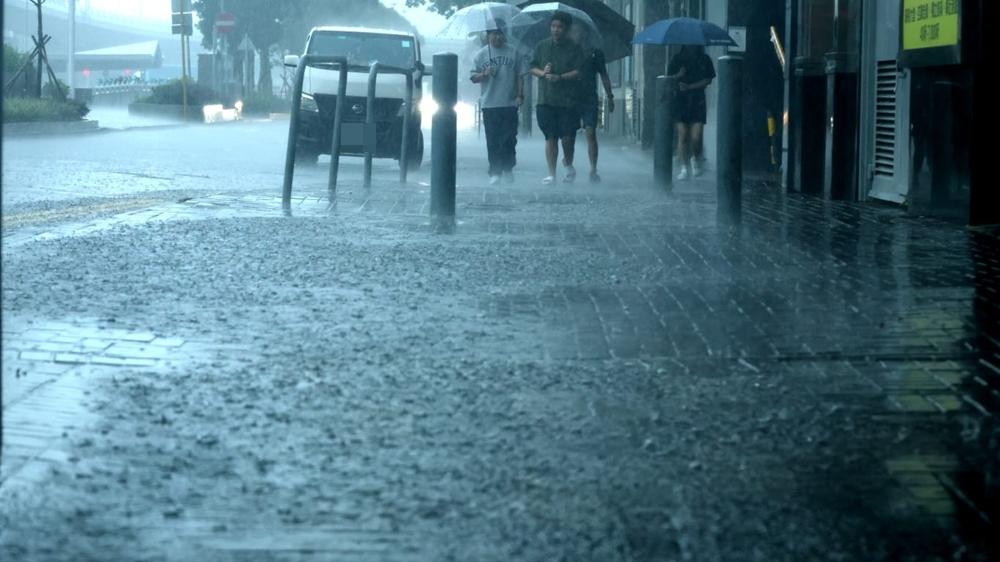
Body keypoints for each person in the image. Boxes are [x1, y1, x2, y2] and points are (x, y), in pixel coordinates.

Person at [529, 11, 585, 185]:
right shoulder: (542, 46)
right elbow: (532, 67)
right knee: (550, 137)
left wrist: (560, 77)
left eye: (560, 27)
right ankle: (551, 174)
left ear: (566, 29)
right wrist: (542, 73)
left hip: (568, 101)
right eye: (553, 26)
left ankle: (568, 164)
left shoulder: (575, 48)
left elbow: (579, 71)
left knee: (567, 138)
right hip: (546, 100)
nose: (556, 30)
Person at [470, 19, 528, 185]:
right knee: (493, 139)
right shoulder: (481, 55)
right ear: (488, 36)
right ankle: (495, 171)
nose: (497, 38)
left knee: (509, 138)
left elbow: (520, 75)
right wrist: (485, 74)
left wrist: (520, 95)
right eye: (494, 35)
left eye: (500, 35)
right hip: (490, 104)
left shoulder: (513, 52)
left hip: (509, 103)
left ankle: (508, 168)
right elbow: (473, 77)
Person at [667, 45, 716, 180]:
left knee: (696, 136)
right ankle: (684, 167)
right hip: (680, 101)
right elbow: (668, 79)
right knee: (682, 135)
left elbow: (709, 79)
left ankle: (694, 158)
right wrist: (679, 75)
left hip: (697, 101)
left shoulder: (704, 59)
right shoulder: (677, 59)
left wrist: (690, 86)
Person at [576, 45, 614, 183]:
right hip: (570, 98)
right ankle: (568, 162)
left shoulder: (596, 53)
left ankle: (593, 169)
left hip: (589, 99)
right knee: (568, 135)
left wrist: (610, 96)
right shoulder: (568, 49)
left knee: (591, 133)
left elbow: (604, 74)